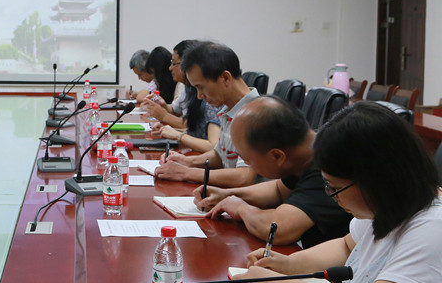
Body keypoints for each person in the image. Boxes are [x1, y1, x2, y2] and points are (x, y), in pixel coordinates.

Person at [230, 102, 441, 283]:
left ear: (376, 178)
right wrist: (287, 265)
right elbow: (347, 246)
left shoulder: (433, 227)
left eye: (335, 187)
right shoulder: (387, 206)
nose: (332, 196)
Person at [194, 96, 352, 248]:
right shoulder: (302, 152)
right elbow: (278, 190)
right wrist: (227, 195)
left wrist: (241, 208)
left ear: (276, 156)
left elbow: (277, 229)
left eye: (247, 160)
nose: (247, 164)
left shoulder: (327, 165)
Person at [155, 41, 258, 188]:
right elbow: (220, 156)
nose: (199, 96)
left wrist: (186, 173)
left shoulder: (256, 114)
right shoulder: (228, 109)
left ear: (225, 78)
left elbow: (244, 177)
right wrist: (186, 161)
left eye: (200, 87)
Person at [144, 39, 220, 153]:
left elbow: (212, 146)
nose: (170, 68)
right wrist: (168, 130)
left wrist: (177, 133)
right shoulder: (189, 88)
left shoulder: (211, 97)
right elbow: (193, 129)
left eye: (174, 63)